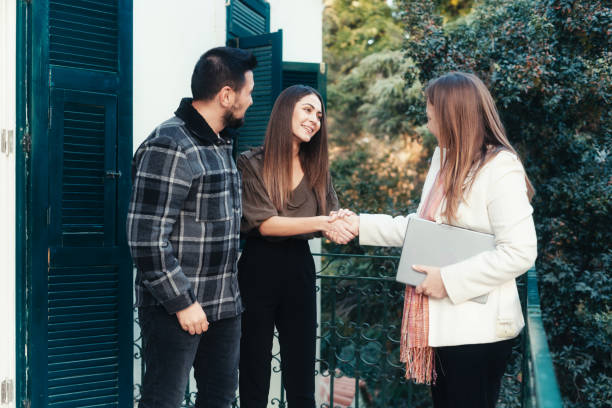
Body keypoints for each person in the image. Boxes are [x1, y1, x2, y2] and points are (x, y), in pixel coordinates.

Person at [336, 72, 537, 408]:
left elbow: (520, 252)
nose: (428, 123)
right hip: (442, 327)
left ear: (451, 115)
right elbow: (422, 229)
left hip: (479, 332)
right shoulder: (442, 158)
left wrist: (447, 280)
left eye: (431, 114)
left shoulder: (501, 167)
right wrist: (358, 224)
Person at [127, 47, 256, 408]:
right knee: (162, 401)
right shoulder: (169, 145)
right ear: (226, 95)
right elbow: (146, 239)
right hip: (176, 309)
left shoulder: (219, 144)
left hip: (224, 306)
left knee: (218, 400)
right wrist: (183, 303)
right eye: (248, 92)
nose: (251, 99)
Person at [237, 85, 355, 408]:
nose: (314, 120)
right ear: (285, 110)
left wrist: (345, 224)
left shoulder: (318, 168)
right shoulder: (251, 163)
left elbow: (333, 220)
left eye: (319, 115)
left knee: (301, 377)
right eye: (307, 110)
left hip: (300, 269)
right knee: (253, 375)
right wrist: (322, 223)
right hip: (257, 268)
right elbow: (266, 224)